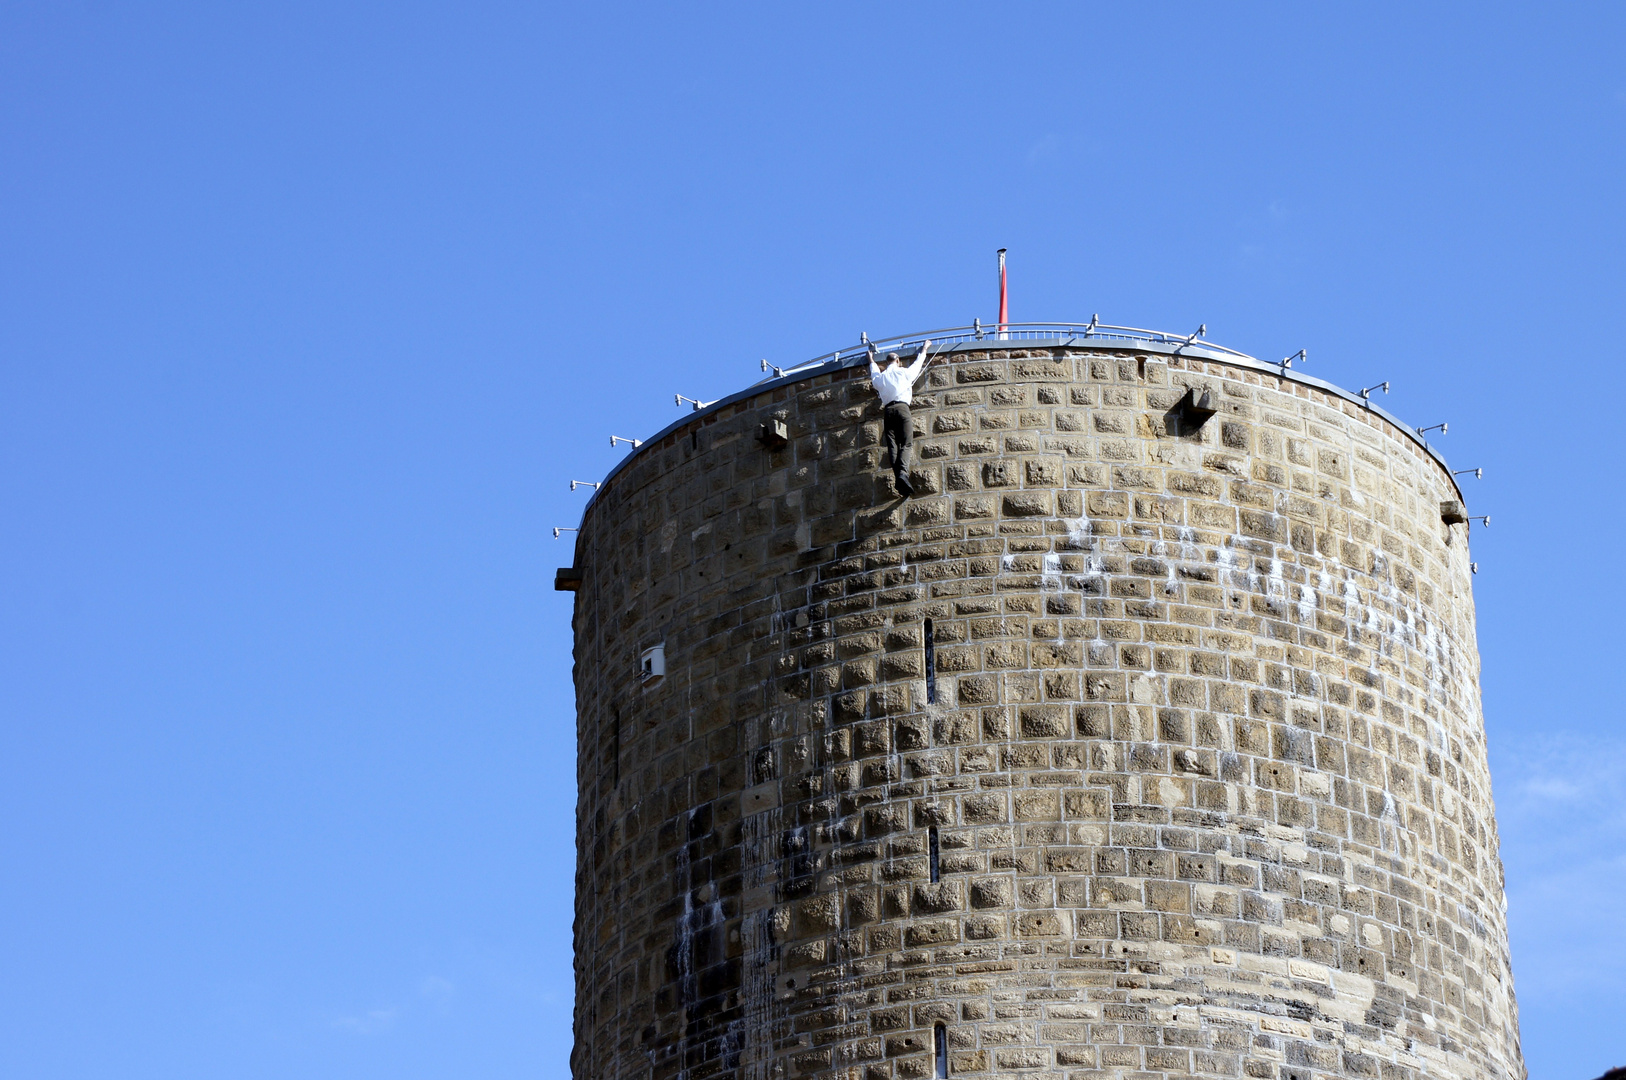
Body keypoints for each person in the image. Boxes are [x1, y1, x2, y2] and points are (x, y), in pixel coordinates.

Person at [867, 340, 937, 497]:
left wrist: (871, 359)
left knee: (892, 445)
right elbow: (919, 363)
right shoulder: (904, 372)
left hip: (888, 411)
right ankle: (902, 474)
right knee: (906, 443)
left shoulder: (881, 377)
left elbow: (874, 372)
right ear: (898, 361)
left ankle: (898, 475)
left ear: (886, 363)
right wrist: (925, 348)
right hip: (902, 409)